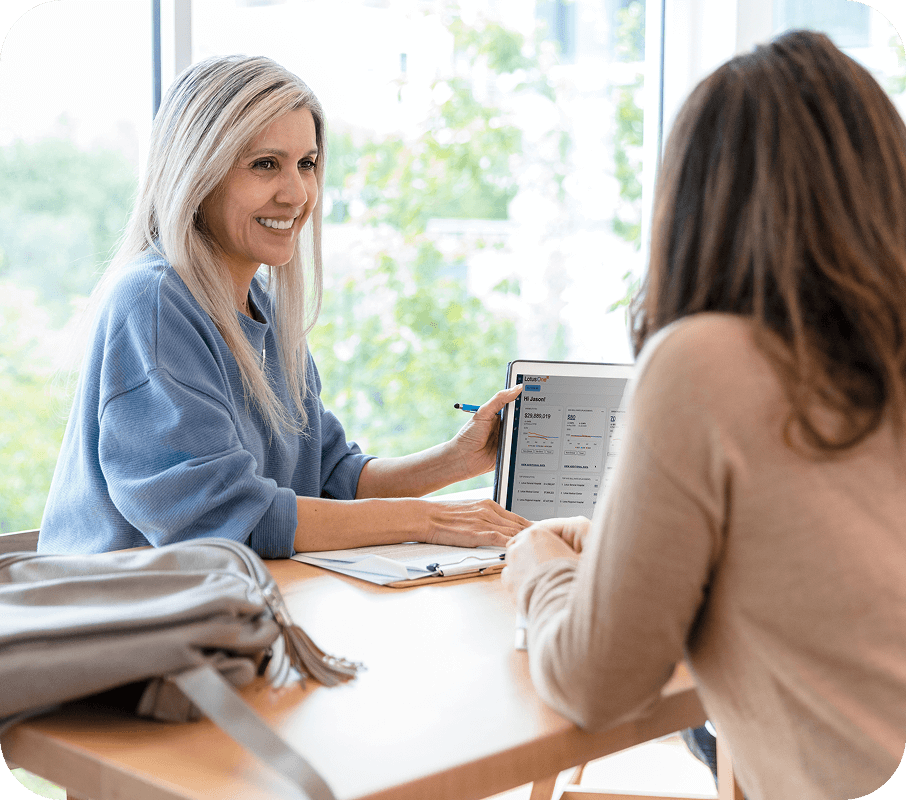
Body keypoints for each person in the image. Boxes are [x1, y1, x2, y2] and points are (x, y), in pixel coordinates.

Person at [503, 30, 906, 800]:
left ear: (697, 207)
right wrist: (624, 553)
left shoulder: (704, 364)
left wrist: (538, 568)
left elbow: (596, 685)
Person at [39, 54, 529, 558]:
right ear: (198, 173)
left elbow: (330, 478)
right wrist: (427, 519)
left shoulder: (261, 309)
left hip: (224, 606)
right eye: (265, 164)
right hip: (121, 623)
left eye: (307, 164)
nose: (297, 193)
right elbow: (222, 520)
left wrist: (459, 459)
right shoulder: (156, 303)